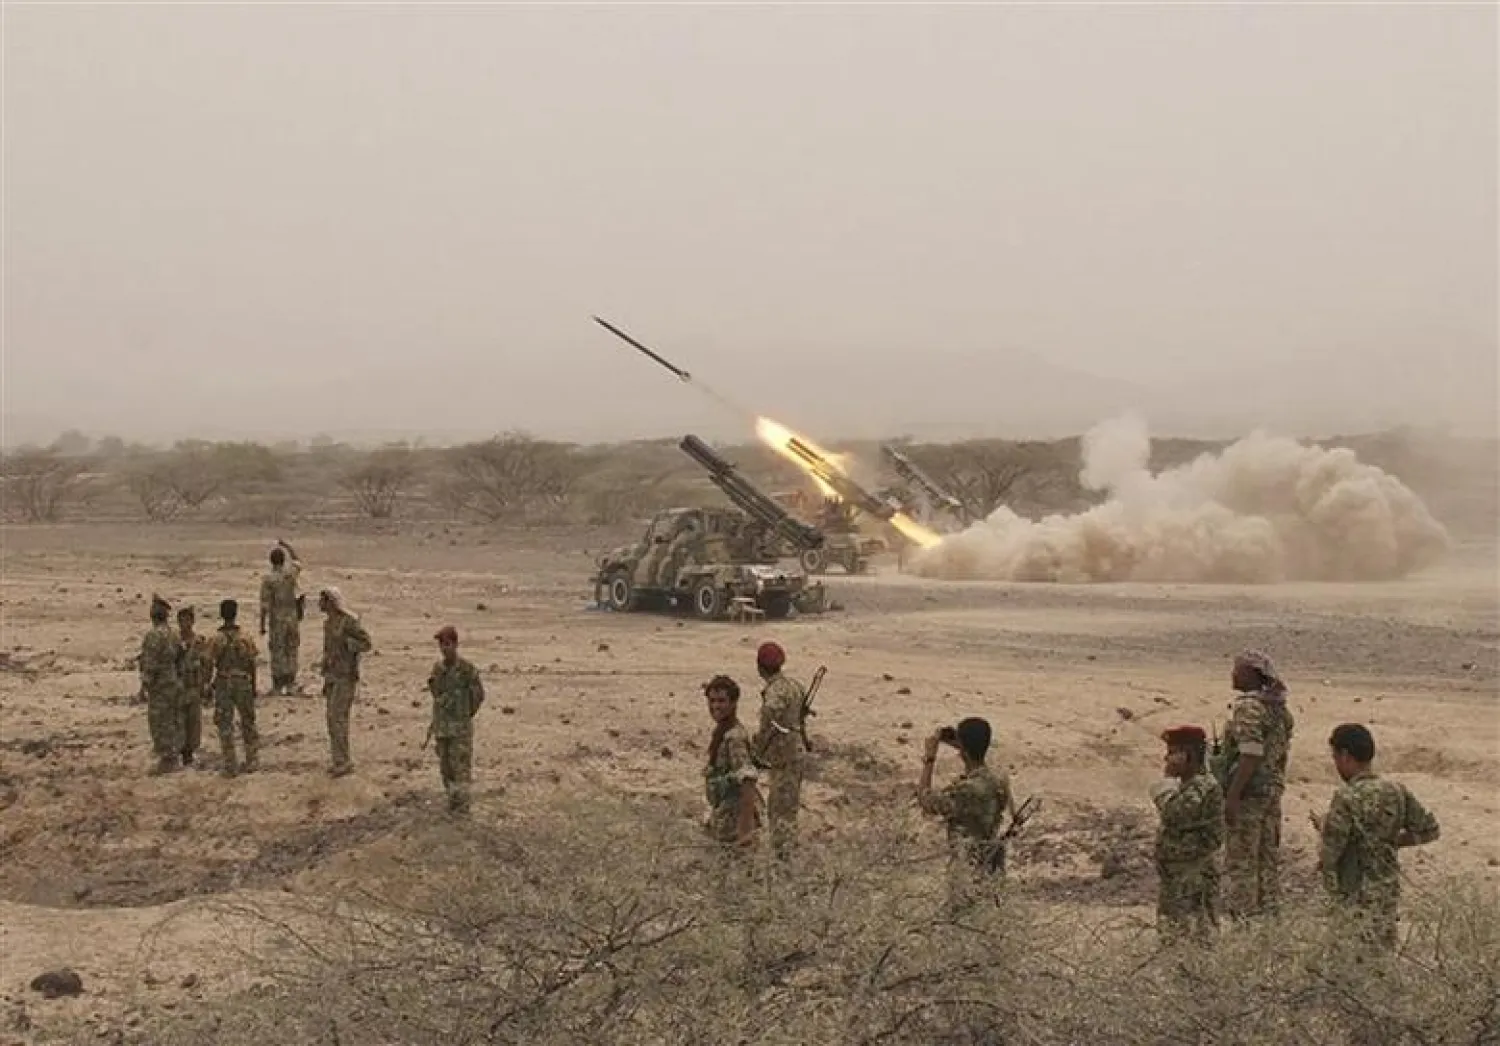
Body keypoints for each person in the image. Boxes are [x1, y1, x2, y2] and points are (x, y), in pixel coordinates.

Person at [1313, 723, 1440, 951]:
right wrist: (1390, 842)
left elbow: (1331, 853)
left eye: (1335, 757)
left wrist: (1324, 830)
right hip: (1386, 891)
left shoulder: (1346, 796)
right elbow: (1430, 830)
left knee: (1349, 957)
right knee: (1380, 956)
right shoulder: (1396, 791)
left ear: (1344, 755)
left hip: (1353, 893)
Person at [1214, 649, 1294, 918]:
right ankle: (1268, 919)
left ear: (1251, 674)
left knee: (1241, 862)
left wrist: (1233, 796)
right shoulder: (1277, 708)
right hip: (1271, 793)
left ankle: (1244, 921)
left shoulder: (1248, 707)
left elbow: (1250, 753)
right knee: (1266, 860)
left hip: (1249, 795)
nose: (1232, 674)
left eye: (1237, 669)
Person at [917, 717, 1012, 911]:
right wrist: (964, 747)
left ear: (963, 751)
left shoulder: (966, 791)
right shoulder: (999, 780)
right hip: (992, 864)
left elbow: (926, 801)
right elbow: (984, 766)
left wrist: (929, 758)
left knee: (960, 922)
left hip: (967, 866)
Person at [1150, 725, 1225, 944]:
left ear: (1189, 754)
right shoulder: (1188, 786)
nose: (1167, 758)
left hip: (1194, 877)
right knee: (1172, 936)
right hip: (1178, 876)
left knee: (1195, 938)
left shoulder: (1203, 786)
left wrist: (1164, 786)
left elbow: (1175, 814)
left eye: (1173, 752)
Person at [751, 642, 806, 859]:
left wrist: (757, 751)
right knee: (789, 805)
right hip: (796, 752)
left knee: (779, 809)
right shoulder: (795, 686)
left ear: (759, 667)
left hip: (783, 756)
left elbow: (768, 726)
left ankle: (783, 856)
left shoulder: (774, 693)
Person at [426, 626, 485, 814]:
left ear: (456, 644)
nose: (444, 648)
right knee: (446, 768)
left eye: (448, 644)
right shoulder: (438, 669)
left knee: (460, 768)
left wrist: (464, 714)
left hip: (459, 730)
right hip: (443, 728)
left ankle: (463, 808)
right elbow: (435, 694)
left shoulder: (467, 670)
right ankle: (452, 803)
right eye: (442, 645)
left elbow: (478, 695)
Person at [702, 675, 761, 850]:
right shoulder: (722, 732)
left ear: (733, 703)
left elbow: (748, 781)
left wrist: (745, 834)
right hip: (724, 818)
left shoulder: (734, 737)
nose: (715, 706)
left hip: (734, 825)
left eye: (722, 701)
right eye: (712, 701)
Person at [319, 587, 372, 777]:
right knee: (331, 719)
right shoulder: (328, 624)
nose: (319, 603)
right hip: (332, 676)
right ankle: (338, 759)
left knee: (338, 718)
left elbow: (366, 643)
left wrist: (351, 646)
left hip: (345, 677)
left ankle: (343, 761)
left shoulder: (348, 622)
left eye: (322, 600)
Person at [207, 598, 260, 777]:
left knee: (225, 724)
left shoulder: (216, 639)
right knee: (248, 721)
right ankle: (252, 760)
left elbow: (209, 662)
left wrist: (207, 685)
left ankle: (230, 764)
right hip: (243, 681)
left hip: (224, 682)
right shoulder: (246, 638)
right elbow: (252, 663)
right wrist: (254, 686)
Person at [139, 595, 185, 775]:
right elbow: (180, 658)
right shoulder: (173, 634)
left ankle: (167, 758)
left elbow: (150, 663)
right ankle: (174, 754)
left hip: (159, 685)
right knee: (173, 718)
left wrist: (144, 686)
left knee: (158, 721)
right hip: (173, 681)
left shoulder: (153, 635)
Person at [258, 539, 303, 696]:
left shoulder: (269, 580)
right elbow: (297, 560)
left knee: (277, 650)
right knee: (291, 649)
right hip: (292, 617)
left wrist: (262, 625)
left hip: (277, 619)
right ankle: (291, 683)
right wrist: (287, 545)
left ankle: (278, 685)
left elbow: (264, 605)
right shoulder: (290, 574)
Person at [175, 605, 213, 768]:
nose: (185, 624)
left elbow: (207, 664)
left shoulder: (199, 642)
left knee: (193, 723)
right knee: (178, 722)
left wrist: (205, 683)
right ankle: (179, 752)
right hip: (178, 688)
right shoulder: (174, 642)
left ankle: (189, 755)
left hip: (193, 687)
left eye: (188, 620)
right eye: (182, 620)